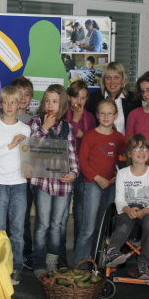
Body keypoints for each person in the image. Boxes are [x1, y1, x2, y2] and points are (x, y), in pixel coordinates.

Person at [28, 84, 78, 278]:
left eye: (55, 101)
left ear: (62, 104)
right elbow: (31, 149)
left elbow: (72, 154)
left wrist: (74, 173)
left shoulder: (67, 127)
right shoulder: (35, 121)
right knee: (42, 224)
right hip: (42, 182)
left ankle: (52, 261)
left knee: (57, 224)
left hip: (63, 183)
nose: (50, 104)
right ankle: (39, 261)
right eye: (47, 100)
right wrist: (44, 128)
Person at [0, 85, 31, 285]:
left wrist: (32, 167)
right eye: (6, 102)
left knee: (18, 230)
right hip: (0, 184)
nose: (10, 106)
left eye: (14, 102)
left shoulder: (25, 129)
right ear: (1, 104)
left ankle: (16, 268)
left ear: (19, 103)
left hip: (20, 184)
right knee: (0, 228)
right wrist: (11, 145)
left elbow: (28, 158)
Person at [74, 99, 126, 266]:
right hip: (92, 184)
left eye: (109, 113)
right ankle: (80, 266)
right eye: (102, 113)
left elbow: (124, 161)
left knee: (102, 227)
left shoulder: (120, 138)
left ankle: (96, 263)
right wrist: (97, 177)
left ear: (115, 116)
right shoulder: (90, 135)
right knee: (87, 228)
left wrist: (117, 176)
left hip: (111, 186)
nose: (105, 116)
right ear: (97, 115)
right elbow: (82, 161)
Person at [106, 134, 149, 280]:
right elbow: (119, 199)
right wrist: (128, 209)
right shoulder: (123, 174)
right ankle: (112, 252)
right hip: (128, 211)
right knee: (124, 223)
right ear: (130, 153)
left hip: (148, 212)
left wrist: (145, 211)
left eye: (144, 148)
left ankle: (143, 263)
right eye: (136, 148)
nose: (141, 152)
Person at [64, 80, 96, 266]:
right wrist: (75, 121)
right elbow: (65, 135)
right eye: (76, 96)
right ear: (69, 97)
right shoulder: (63, 114)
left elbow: (91, 141)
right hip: (65, 168)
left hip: (83, 170)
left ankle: (79, 257)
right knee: (60, 216)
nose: (80, 101)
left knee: (80, 213)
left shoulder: (90, 117)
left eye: (84, 97)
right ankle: (59, 257)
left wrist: (85, 135)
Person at [11, 76, 35, 269]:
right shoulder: (6, 118)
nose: (24, 97)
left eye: (27, 94)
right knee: (9, 216)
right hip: (9, 174)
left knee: (23, 216)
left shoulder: (35, 120)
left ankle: (26, 252)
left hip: (27, 177)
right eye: (20, 93)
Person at [86, 62, 141, 134]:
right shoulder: (93, 99)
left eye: (116, 77)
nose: (112, 82)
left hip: (125, 144)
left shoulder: (134, 99)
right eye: (108, 78)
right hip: (99, 143)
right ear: (104, 80)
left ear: (122, 79)